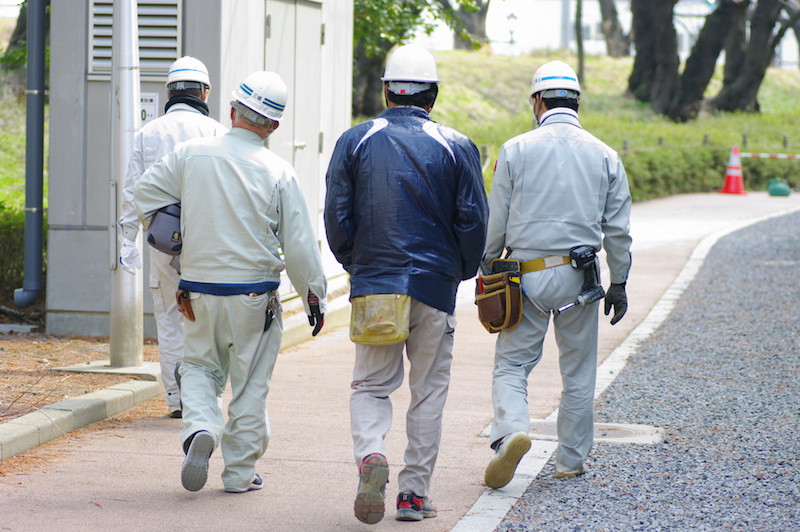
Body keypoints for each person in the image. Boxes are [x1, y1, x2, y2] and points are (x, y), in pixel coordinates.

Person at [134, 70, 327, 494]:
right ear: (273, 126)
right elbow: (298, 244)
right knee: (251, 384)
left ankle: (201, 427)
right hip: (255, 296)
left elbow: (144, 194)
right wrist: (314, 295)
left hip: (198, 289)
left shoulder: (190, 155)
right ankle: (239, 473)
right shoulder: (278, 170)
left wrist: (179, 240)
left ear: (232, 111)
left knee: (199, 368)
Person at [324, 44, 489, 524]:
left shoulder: (355, 140)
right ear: (432, 95)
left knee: (371, 386)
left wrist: (359, 265)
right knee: (428, 392)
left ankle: (371, 453)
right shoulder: (457, 145)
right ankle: (414, 495)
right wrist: (457, 271)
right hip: (435, 287)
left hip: (376, 284)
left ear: (386, 92)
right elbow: (473, 221)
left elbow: (337, 216)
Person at [481, 60, 632, 489]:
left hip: (524, 275)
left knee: (512, 363)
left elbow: (496, 219)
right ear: (577, 101)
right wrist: (619, 282)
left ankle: (512, 431)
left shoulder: (515, 149)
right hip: (580, 277)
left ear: (538, 101)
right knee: (579, 371)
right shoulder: (605, 154)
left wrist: (488, 264)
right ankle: (570, 460)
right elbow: (618, 230)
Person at [118, 56, 228, 418]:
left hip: (164, 240)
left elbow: (132, 191)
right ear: (205, 92)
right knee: (207, 319)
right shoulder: (217, 132)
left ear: (169, 93)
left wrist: (127, 240)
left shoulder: (149, 133)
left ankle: (176, 398)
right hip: (210, 240)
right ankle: (205, 397)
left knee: (169, 317)